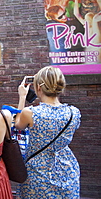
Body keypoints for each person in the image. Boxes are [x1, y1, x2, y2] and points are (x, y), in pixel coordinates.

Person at [15, 66, 81, 198]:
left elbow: (18, 125)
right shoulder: (74, 113)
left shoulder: (31, 113)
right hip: (67, 169)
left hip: (37, 171)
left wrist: (22, 96)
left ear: (39, 88)